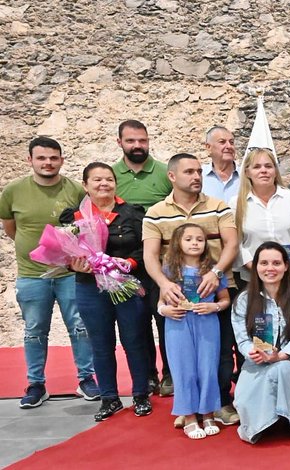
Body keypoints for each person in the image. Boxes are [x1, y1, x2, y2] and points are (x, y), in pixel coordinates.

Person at [142, 153, 240, 427]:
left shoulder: (218, 206)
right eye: (189, 172)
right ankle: (188, 408)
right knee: (180, 353)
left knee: (218, 352)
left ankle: (217, 403)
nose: (197, 176)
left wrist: (216, 271)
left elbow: (231, 244)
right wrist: (164, 283)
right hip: (173, 290)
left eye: (199, 171)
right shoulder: (155, 212)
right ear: (172, 176)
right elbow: (150, 255)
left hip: (215, 286)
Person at [1, 136, 97, 409]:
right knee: (34, 330)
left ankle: (86, 379)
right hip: (31, 274)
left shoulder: (75, 190)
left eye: (53, 158)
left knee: (80, 327)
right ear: (29, 159)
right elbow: (12, 229)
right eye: (41, 158)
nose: (48, 163)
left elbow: (85, 227)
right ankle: (35, 384)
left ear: (62, 160)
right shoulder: (13, 191)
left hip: (69, 274)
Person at [59, 162, 151, 421]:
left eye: (108, 179)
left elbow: (144, 249)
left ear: (115, 183)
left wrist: (129, 263)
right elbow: (64, 251)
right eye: (97, 180)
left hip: (126, 285)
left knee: (135, 341)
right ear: (85, 185)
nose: (104, 184)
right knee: (100, 344)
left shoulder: (132, 213)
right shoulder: (73, 218)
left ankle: (141, 394)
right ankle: (109, 398)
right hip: (89, 288)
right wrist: (72, 263)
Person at [231, 242, 290, 444]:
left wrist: (281, 355)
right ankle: (268, 420)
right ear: (256, 267)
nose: (270, 268)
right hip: (257, 363)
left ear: (286, 266)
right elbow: (242, 339)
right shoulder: (244, 300)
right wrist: (252, 353)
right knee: (242, 399)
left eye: (276, 263)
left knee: (281, 369)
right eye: (264, 263)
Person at [111, 119, 174, 397]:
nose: (137, 146)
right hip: (125, 265)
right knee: (136, 324)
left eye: (142, 140)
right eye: (131, 141)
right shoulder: (110, 175)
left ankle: (170, 374)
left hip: (161, 262)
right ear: (120, 143)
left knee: (165, 319)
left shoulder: (164, 173)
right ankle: (147, 375)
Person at [158, 223, 231, 439]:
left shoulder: (213, 269)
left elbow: (225, 299)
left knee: (207, 368)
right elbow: (160, 302)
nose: (194, 243)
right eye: (188, 239)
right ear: (178, 243)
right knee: (184, 370)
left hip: (207, 322)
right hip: (178, 324)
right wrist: (165, 311)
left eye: (199, 239)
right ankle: (189, 416)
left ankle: (207, 413)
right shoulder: (170, 269)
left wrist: (214, 306)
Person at [232, 148, 290, 285]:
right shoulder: (236, 203)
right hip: (253, 279)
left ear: (275, 171)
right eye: (257, 167)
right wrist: (254, 268)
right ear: (247, 172)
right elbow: (236, 243)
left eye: (268, 166)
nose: (263, 170)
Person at [200, 126, 241, 204]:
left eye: (231, 142)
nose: (229, 146)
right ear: (208, 147)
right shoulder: (199, 176)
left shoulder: (246, 175)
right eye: (222, 142)